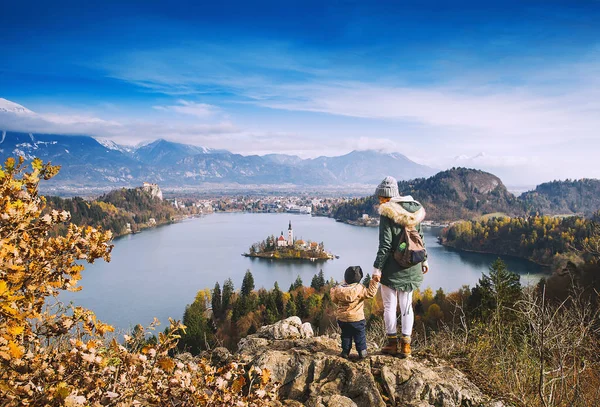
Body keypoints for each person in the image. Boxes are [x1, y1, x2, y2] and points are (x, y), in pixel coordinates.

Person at [373, 176, 429, 358]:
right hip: (412, 263)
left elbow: (385, 245)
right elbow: (419, 238)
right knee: (407, 307)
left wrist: (377, 269)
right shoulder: (414, 210)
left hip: (392, 267)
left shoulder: (387, 212)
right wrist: (425, 260)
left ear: (386, 196)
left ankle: (392, 344)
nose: (380, 200)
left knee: (389, 306)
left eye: (381, 197)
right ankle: (406, 346)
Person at [330, 266, 380, 359]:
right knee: (359, 335)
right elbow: (371, 293)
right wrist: (374, 281)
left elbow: (334, 300)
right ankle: (362, 352)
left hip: (342, 319)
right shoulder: (360, 289)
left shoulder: (338, 289)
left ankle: (345, 352)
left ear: (345, 278)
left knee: (345, 335)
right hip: (357, 319)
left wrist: (332, 291)